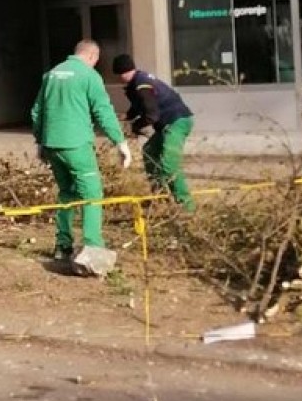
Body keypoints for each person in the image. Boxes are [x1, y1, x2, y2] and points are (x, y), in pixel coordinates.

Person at [30, 39, 131, 277]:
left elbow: (37, 111)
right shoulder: (88, 75)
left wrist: (40, 142)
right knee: (92, 194)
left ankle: (62, 246)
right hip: (76, 144)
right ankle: (92, 246)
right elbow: (103, 110)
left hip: (52, 143)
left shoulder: (51, 74)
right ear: (92, 57)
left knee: (67, 192)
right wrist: (120, 142)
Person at [112, 54, 196, 211]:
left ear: (122, 73)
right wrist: (127, 116)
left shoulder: (142, 84)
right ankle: (159, 198)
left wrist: (136, 125)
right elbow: (141, 105)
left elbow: (152, 115)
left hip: (177, 121)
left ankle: (187, 207)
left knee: (169, 165)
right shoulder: (137, 82)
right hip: (167, 125)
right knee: (149, 151)